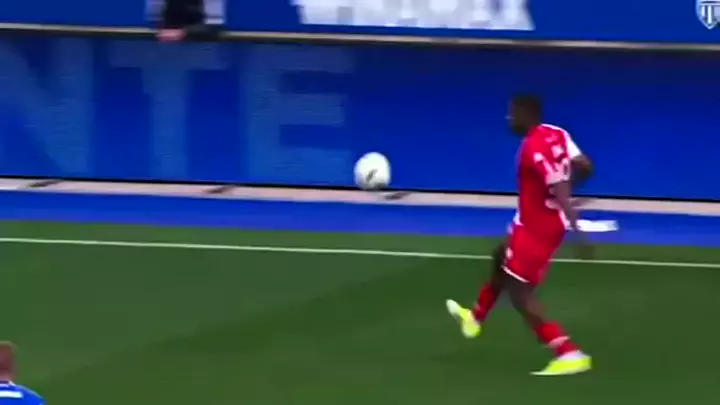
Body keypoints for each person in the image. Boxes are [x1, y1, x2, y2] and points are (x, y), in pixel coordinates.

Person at [446, 95, 592, 376]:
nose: (509, 119)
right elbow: (585, 165)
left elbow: (560, 188)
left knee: (520, 294)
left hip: (538, 228)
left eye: (512, 114)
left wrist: (578, 230)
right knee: (501, 256)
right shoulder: (557, 133)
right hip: (533, 221)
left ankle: (568, 352)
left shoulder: (535, 147)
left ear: (527, 114)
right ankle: (475, 317)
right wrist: (565, 190)